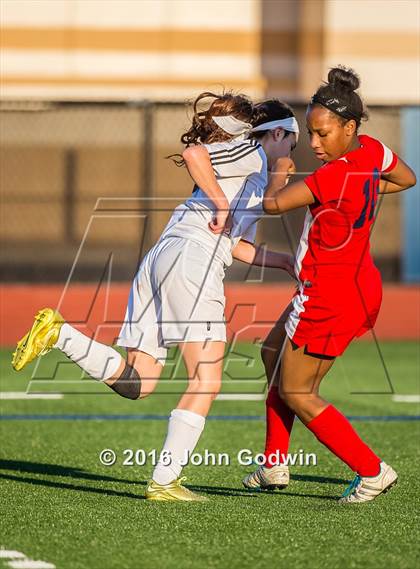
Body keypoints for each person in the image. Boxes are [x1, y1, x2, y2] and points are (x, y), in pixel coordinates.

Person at [12, 92, 299, 502]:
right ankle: (165, 482)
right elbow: (195, 152)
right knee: (207, 378)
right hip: (191, 260)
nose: (293, 151)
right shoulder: (253, 153)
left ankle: (59, 335)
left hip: (164, 258)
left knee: (139, 383)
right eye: (292, 142)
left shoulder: (251, 172)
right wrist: (239, 193)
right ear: (277, 133)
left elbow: (236, 244)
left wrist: (285, 262)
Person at [240, 66, 416, 503]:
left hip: (327, 296)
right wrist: (367, 187)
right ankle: (274, 465)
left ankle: (372, 471)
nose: (313, 144)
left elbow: (272, 204)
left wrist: (277, 167)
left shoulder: (332, 176)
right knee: (271, 354)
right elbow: (407, 178)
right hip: (354, 286)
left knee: (298, 391)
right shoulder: (372, 153)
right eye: (309, 133)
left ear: (349, 126)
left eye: (321, 134)